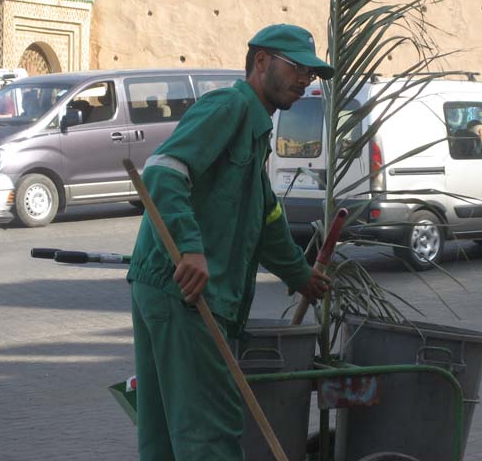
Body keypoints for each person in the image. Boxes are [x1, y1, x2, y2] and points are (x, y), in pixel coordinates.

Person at [127, 24, 333, 460]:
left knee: (165, 438)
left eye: (310, 75)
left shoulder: (256, 132)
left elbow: (265, 216)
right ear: (261, 62)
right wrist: (191, 248)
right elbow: (164, 171)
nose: (303, 80)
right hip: (186, 290)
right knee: (210, 435)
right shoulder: (231, 107)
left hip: (166, 287)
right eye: (296, 67)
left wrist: (301, 274)